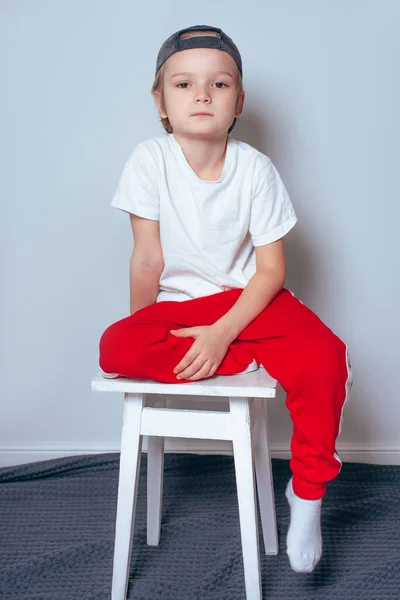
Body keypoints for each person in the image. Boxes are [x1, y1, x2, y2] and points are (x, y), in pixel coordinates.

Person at [98, 25, 353, 574]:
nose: (202, 95)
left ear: (239, 100)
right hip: (184, 307)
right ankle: (246, 357)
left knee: (327, 356)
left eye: (219, 84)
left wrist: (222, 333)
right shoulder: (149, 159)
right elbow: (147, 260)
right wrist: (151, 334)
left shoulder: (256, 168)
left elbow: (270, 271)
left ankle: (307, 495)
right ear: (160, 101)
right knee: (116, 346)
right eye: (184, 84)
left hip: (252, 302)